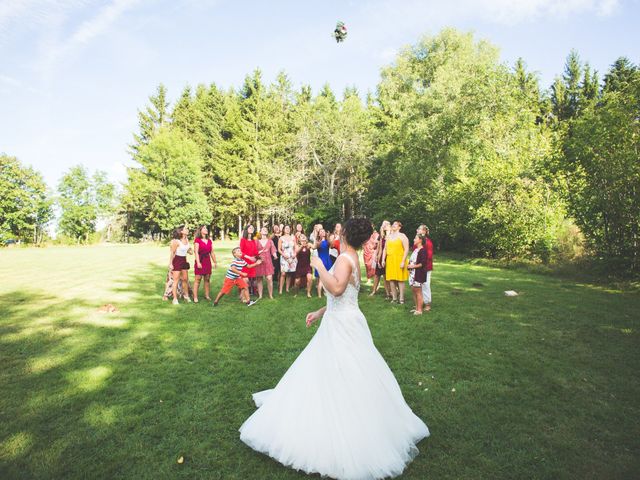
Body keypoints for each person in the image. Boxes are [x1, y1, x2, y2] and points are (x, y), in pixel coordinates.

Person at [239, 217, 429, 479]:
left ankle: (344, 423)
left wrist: (318, 265)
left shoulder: (343, 259)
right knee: (349, 368)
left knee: (340, 369)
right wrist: (319, 311)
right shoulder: (353, 258)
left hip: (342, 325)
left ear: (348, 234)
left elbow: (337, 289)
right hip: (345, 318)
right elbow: (345, 296)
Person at [382, 221, 409, 304]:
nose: (393, 225)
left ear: (399, 227)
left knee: (400, 280)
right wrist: (383, 259)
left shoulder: (402, 236)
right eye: (393, 224)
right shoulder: (388, 237)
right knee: (391, 280)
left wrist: (403, 261)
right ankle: (394, 298)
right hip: (390, 260)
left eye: (395, 224)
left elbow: (406, 249)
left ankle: (401, 299)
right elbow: (385, 249)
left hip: (399, 259)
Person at [168, 225, 192, 305]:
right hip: (177, 260)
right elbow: (172, 253)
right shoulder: (176, 241)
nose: (187, 230)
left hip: (184, 260)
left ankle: (186, 296)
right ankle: (175, 299)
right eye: (186, 229)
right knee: (176, 280)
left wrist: (190, 251)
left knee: (185, 279)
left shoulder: (187, 239)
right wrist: (170, 263)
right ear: (181, 231)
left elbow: (188, 249)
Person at [193, 225, 217, 303]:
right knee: (198, 279)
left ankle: (207, 295)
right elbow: (196, 252)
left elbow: (212, 252)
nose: (206, 229)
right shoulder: (197, 240)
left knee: (207, 279)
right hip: (200, 260)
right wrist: (198, 262)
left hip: (207, 261)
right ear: (200, 230)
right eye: (204, 228)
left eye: (206, 228)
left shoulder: (209, 241)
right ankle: (195, 297)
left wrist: (215, 262)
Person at [407, 234, 428, 315]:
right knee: (414, 291)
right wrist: (409, 267)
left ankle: (419, 310)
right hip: (412, 273)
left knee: (418, 292)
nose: (414, 239)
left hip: (418, 274)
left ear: (420, 240)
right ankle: (416, 308)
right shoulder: (415, 250)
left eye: (415, 238)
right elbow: (412, 260)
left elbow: (422, 264)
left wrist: (413, 266)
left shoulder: (423, 250)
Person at [255, 226, 278, 299]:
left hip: (268, 261)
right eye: (263, 229)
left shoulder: (270, 241)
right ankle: (260, 295)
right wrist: (260, 252)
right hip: (259, 261)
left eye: (266, 229)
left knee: (269, 278)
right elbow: (254, 252)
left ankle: (270, 295)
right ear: (260, 232)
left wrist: (275, 255)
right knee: (259, 279)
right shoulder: (256, 241)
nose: (265, 230)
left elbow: (273, 250)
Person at [370, 220, 390, 298]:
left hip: (389, 257)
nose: (384, 226)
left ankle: (388, 293)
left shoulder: (392, 235)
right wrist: (377, 256)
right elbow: (379, 247)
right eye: (383, 225)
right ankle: (374, 291)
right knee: (377, 275)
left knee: (386, 276)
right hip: (381, 256)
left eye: (386, 224)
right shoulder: (381, 236)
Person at [416, 225, 433, 311]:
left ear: (424, 232)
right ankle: (420, 303)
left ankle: (427, 304)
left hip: (426, 267)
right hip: (418, 266)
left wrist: (421, 263)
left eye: (419, 229)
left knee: (426, 285)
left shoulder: (428, 242)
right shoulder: (417, 242)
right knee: (419, 285)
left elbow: (429, 256)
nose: (417, 230)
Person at [312, 227, 332, 298]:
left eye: (324, 231)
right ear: (319, 234)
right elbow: (315, 247)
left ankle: (325, 292)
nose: (323, 232)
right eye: (321, 232)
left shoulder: (327, 240)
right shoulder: (318, 241)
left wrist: (328, 237)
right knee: (321, 279)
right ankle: (319, 295)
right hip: (321, 261)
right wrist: (320, 239)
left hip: (327, 260)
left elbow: (331, 245)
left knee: (327, 278)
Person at [240, 224, 259, 296]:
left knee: (253, 278)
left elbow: (255, 252)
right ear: (246, 230)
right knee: (245, 279)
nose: (252, 229)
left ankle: (252, 292)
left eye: (252, 228)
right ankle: (242, 295)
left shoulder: (253, 241)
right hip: (245, 262)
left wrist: (258, 256)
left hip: (252, 261)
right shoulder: (243, 240)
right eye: (250, 228)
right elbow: (241, 252)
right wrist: (249, 257)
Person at [278, 225, 297, 294]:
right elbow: (279, 249)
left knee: (289, 273)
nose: (287, 229)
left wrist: (295, 254)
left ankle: (287, 289)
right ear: (283, 230)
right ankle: (280, 290)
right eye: (286, 228)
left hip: (292, 257)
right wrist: (283, 255)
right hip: (284, 257)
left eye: (289, 228)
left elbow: (295, 247)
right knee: (283, 273)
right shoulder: (281, 238)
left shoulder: (293, 237)